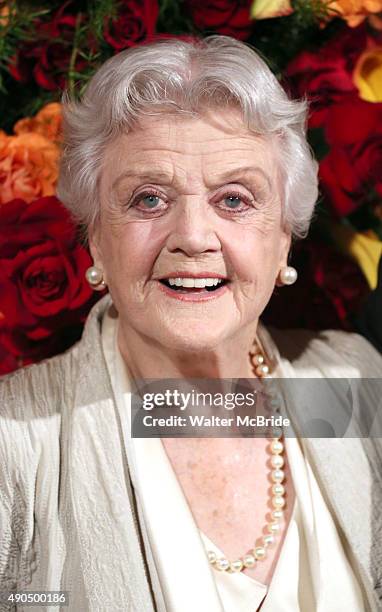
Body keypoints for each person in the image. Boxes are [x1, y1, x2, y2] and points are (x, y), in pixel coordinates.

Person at [0, 36, 381, 612]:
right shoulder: (16, 440)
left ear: (284, 239)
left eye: (234, 200)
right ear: (95, 236)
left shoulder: (348, 378)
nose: (194, 237)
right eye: (149, 200)